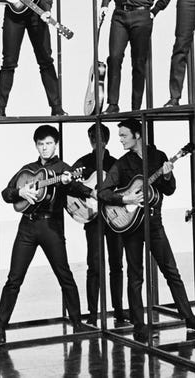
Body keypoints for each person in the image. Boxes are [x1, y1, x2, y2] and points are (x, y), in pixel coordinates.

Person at [97, 119, 195, 342]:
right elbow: (103, 193)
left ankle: (189, 318)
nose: (120, 140)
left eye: (124, 135)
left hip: (154, 222)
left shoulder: (158, 157)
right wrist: (125, 197)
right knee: (135, 275)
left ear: (138, 135)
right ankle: (139, 325)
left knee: (171, 270)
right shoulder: (121, 163)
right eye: (120, 136)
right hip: (131, 226)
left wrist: (167, 175)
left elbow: (169, 189)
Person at [0, 125, 93, 344]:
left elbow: (77, 189)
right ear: (36, 146)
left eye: (48, 143)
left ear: (55, 144)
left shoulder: (65, 169)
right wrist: (20, 192)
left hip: (51, 227)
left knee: (64, 275)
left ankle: (77, 323)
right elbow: (6, 193)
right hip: (27, 227)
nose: (45, 148)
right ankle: (0, 330)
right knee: (13, 279)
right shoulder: (27, 169)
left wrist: (73, 184)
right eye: (41, 144)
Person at [100, 0, 170, 113]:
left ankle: (135, 107)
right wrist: (104, 5)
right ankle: (112, 104)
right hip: (119, 16)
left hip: (142, 18)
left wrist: (154, 11)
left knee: (138, 63)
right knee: (114, 58)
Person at [71, 123, 124, 325]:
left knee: (117, 264)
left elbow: (124, 189)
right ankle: (93, 314)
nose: (97, 141)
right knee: (94, 265)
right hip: (92, 219)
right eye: (93, 137)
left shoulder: (116, 163)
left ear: (107, 139)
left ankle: (119, 311)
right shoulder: (83, 163)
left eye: (100, 137)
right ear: (89, 139)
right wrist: (87, 193)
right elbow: (69, 185)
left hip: (114, 218)